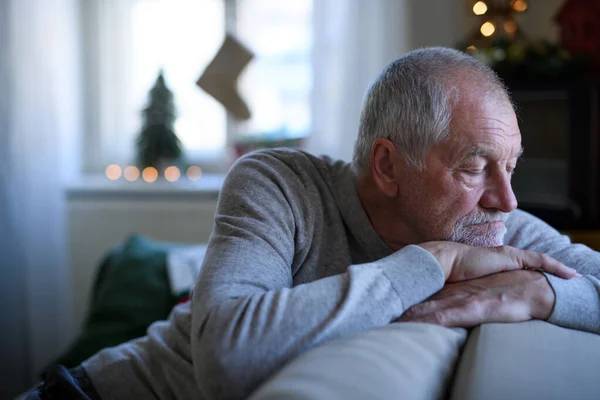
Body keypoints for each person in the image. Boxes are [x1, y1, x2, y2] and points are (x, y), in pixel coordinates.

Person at [28, 47, 600, 400]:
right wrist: (430, 264)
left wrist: (544, 294)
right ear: (387, 166)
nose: (507, 198)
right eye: (474, 168)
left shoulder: (495, 225)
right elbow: (228, 360)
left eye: (511, 167)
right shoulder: (279, 183)